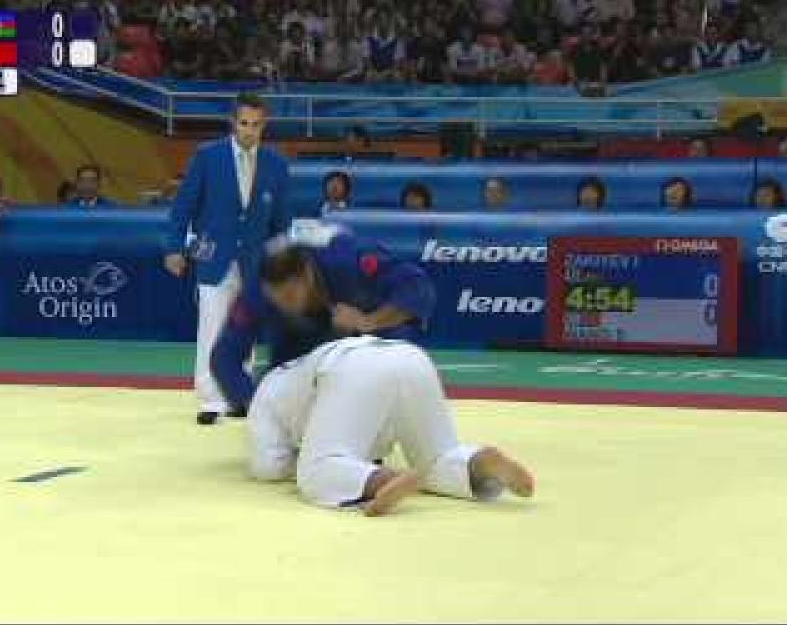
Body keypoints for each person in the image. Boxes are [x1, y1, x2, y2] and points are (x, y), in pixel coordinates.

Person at [247, 335, 535, 516]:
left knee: (315, 471)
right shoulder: (295, 373)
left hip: (354, 369)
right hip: (410, 358)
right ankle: (481, 463)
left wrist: (301, 456)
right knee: (435, 460)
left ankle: (383, 480)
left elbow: (267, 466)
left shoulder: (265, 395)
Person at [210, 225, 436, 418]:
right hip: (294, 339)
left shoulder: (352, 260)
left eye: (289, 295)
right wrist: (257, 408)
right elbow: (224, 356)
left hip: (363, 327)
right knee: (276, 393)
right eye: (276, 298)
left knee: (391, 347)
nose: (284, 304)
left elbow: (418, 288)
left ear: (307, 275)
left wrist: (369, 322)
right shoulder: (256, 293)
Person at [164, 93, 292, 425]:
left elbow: (281, 221)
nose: (250, 131)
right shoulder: (208, 157)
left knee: (244, 328)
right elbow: (184, 207)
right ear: (233, 122)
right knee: (212, 325)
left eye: (257, 125)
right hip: (214, 255)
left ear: (265, 125)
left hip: (254, 259)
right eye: (244, 123)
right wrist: (174, 247)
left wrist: (284, 261)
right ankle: (210, 398)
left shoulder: (276, 164)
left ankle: (239, 394)